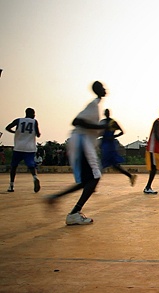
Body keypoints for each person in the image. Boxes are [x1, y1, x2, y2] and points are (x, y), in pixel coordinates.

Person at [45, 81, 108, 225]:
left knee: (86, 181)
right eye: (103, 87)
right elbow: (76, 121)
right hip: (81, 141)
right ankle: (74, 213)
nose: (106, 89)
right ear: (98, 89)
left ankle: (56, 198)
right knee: (95, 176)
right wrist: (99, 126)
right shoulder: (93, 104)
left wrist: (99, 130)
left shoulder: (96, 105)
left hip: (82, 141)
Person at [5, 107, 41, 193]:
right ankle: (35, 177)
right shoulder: (34, 122)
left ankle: (11, 185)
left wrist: (15, 132)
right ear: (31, 114)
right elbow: (38, 134)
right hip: (29, 148)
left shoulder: (18, 120)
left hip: (18, 147)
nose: (34, 115)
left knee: (14, 166)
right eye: (33, 113)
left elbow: (7, 128)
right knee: (31, 165)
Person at [100, 109, 137, 186]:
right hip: (105, 143)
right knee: (114, 165)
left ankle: (93, 184)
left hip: (110, 145)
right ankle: (130, 176)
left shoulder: (112, 122)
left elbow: (122, 131)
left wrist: (114, 136)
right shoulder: (102, 122)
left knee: (103, 164)